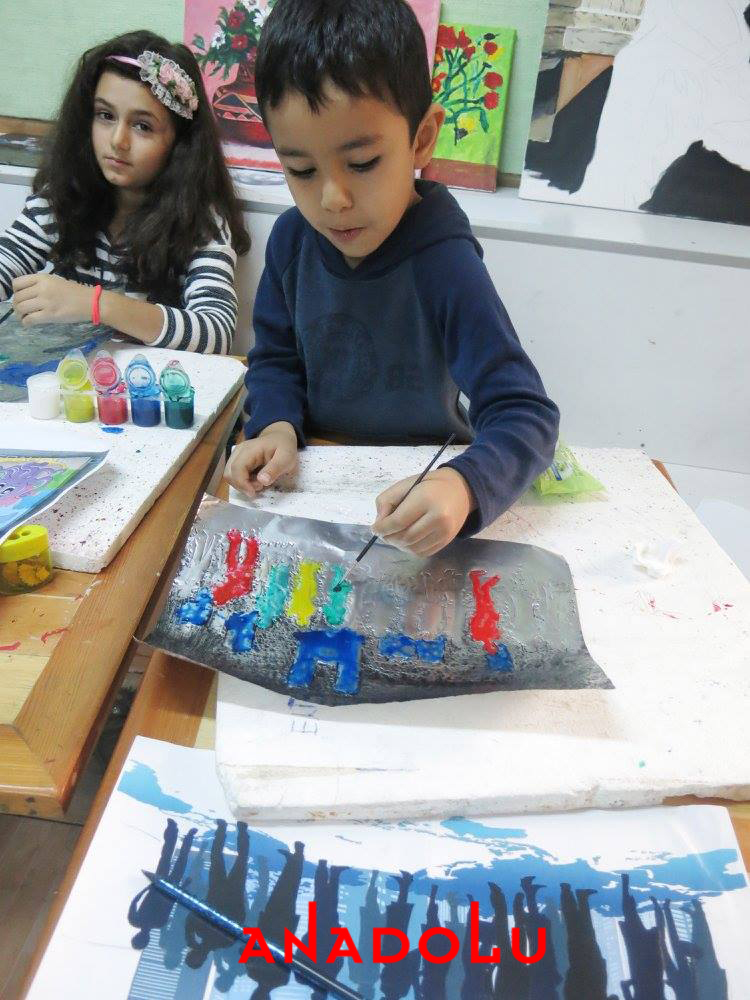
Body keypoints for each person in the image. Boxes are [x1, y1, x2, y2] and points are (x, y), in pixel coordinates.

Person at [225, 0, 559, 553]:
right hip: (314, 476)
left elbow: (526, 415)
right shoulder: (290, 240)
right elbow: (276, 359)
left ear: (421, 139)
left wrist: (462, 486)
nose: (332, 199)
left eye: (362, 163)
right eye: (301, 169)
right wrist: (277, 423)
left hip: (417, 484)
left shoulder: (445, 263)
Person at [0, 30, 249, 353]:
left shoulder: (201, 222)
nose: (118, 140)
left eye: (142, 126)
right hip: (69, 375)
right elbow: (5, 263)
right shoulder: (60, 198)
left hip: (150, 381)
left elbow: (216, 333)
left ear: (179, 142)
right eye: (105, 116)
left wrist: (96, 304)